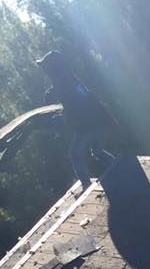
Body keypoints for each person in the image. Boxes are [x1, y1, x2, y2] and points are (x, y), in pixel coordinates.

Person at [37, 51, 117, 190]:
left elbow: (73, 102)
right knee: (97, 150)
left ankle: (86, 186)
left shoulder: (63, 82)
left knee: (75, 154)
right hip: (100, 120)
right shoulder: (68, 77)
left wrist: (59, 112)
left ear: (52, 68)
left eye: (46, 67)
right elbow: (79, 98)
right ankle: (119, 168)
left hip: (90, 124)